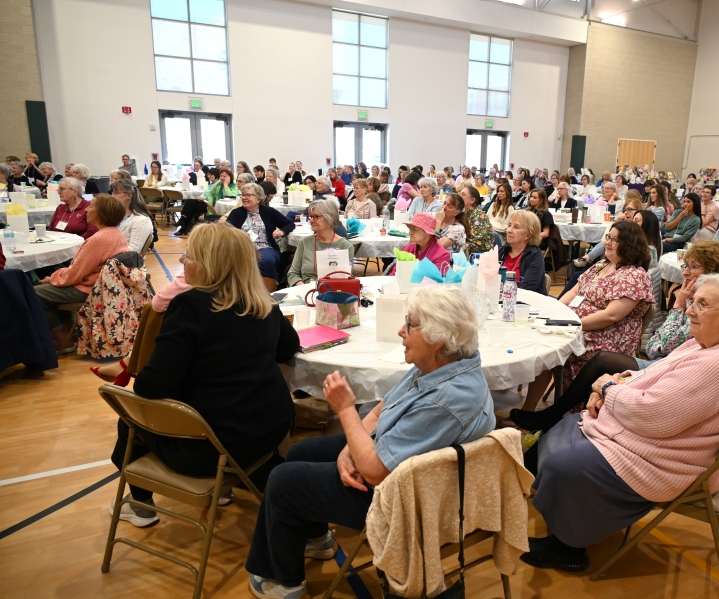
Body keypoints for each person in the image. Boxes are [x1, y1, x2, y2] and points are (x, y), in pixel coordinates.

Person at [244, 286, 493, 598]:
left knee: (283, 481)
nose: (401, 330)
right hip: (403, 471)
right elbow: (381, 410)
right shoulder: (443, 364)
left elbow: (374, 471)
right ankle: (315, 538)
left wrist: (346, 409)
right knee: (302, 451)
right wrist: (348, 451)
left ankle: (285, 583)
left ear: (439, 339)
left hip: (408, 503)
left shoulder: (445, 399)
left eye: (411, 324)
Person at [520, 274, 719, 571]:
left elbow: (655, 416)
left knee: (565, 463)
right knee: (566, 427)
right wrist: (614, 384)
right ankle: (527, 483)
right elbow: (654, 374)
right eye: (693, 302)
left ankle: (568, 548)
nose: (689, 310)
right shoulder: (709, 344)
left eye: (702, 304)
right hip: (657, 440)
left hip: (666, 462)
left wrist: (608, 390)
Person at [109, 224, 297, 528]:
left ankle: (141, 504)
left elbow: (151, 386)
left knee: (129, 416)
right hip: (270, 433)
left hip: (212, 447)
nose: (183, 261)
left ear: (211, 264)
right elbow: (288, 348)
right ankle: (227, 486)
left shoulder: (190, 305)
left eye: (190, 256)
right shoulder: (263, 302)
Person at [509, 240, 719, 432]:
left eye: (693, 267)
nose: (685, 272)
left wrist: (678, 305)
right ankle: (553, 417)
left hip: (669, 368)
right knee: (560, 344)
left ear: (714, 272)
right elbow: (654, 344)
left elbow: (660, 347)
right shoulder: (601, 265)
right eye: (686, 265)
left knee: (600, 359)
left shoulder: (707, 306)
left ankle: (553, 418)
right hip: (663, 360)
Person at [557, 221, 654, 386]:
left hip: (605, 337)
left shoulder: (634, 276)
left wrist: (571, 325)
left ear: (630, 245)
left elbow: (611, 316)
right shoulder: (602, 265)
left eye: (615, 240)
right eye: (609, 237)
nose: (608, 242)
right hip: (578, 326)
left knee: (553, 347)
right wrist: (556, 313)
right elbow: (574, 291)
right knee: (544, 339)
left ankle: (565, 399)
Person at [35, 195, 129, 352]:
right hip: (103, 286)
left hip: (90, 288)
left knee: (34, 294)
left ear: (102, 213)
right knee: (51, 290)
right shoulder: (116, 233)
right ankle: (70, 334)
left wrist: (52, 279)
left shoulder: (98, 239)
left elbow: (74, 275)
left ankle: (61, 338)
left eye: (91, 206)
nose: (86, 210)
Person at [226, 183, 295, 292]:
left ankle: (269, 293)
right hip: (241, 248)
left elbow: (289, 224)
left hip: (265, 246)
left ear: (258, 199)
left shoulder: (269, 212)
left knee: (265, 260)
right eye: (243, 195)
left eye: (248, 195)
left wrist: (281, 231)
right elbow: (225, 231)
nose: (244, 198)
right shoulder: (236, 213)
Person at [287, 200, 354, 286]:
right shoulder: (304, 242)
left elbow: (347, 278)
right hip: (306, 290)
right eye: (311, 217)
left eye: (316, 217)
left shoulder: (346, 246)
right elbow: (293, 273)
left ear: (330, 218)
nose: (311, 220)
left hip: (333, 290)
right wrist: (303, 287)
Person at [498, 210, 547, 294]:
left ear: (528, 235)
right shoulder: (502, 251)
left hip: (525, 301)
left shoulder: (535, 256)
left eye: (516, 227)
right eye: (509, 225)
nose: (509, 230)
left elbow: (526, 290)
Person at [110, 179, 154, 253]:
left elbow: (133, 251)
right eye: (112, 192)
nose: (112, 196)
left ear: (128, 195)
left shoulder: (141, 220)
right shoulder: (116, 215)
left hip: (123, 259)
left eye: (116, 193)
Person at [459, 185, 494, 254]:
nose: (459, 197)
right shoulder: (464, 212)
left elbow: (478, 244)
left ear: (472, 200)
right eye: (459, 194)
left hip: (477, 254)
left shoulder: (478, 216)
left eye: (463, 194)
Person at [487, 180, 514, 245]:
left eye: (502, 191)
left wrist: (491, 227)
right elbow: (486, 218)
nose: (499, 193)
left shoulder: (510, 208)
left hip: (499, 235)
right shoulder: (493, 205)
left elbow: (506, 227)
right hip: (489, 230)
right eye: (498, 191)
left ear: (507, 193)